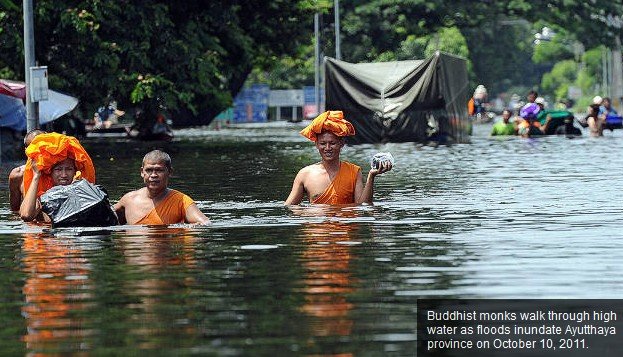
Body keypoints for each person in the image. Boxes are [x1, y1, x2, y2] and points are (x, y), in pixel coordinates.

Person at [284, 111, 392, 205]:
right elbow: (289, 208)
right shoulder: (305, 174)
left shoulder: (354, 172)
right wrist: (309, 212)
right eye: (323, 143)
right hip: (316, 227)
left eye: (332, 143)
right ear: (316, 144)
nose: (327, 148)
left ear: (341, 144)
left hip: (343, 227)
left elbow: (363, 206)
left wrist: (371, 177)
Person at [113, 150, 210, 225]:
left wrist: (190, 230)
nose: (153, 175)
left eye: (159, 170)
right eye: (149, 170)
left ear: (170, 172)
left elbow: (205, 223)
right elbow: (103, 219)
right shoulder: (128, 200)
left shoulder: (181, 201)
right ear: (142, 172)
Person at [19, 132, 96, 222]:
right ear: (49, 172)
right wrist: (36, 175)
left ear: (75, 171)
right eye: (58, 170)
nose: (64, 175)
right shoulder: (41, 197)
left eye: (69, 169)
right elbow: (26, 215)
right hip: (47, 234)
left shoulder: (81, 191)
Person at [8, 129, 45, 212]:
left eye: (43, 146)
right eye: (34, 147)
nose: (39, 151)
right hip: (29, 222)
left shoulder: (60, 171)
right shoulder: (18, 174)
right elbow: (15, 211)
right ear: (26, 150)